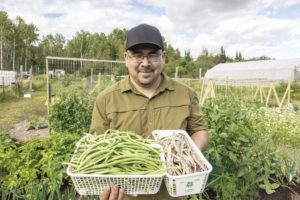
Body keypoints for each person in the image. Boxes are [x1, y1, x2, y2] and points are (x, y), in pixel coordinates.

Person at [90, 23, 209, 200]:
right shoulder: (106, 99)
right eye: (137, 55)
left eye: (152, 55)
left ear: (163, 57)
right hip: (127, 195)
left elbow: (199, 130)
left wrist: (187, 155)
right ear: (126, 58)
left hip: (173, 194)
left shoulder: (186, 94)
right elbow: (97, 146)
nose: (145, 64)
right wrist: (106, 185)